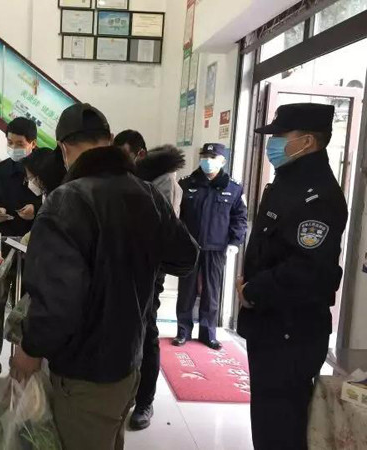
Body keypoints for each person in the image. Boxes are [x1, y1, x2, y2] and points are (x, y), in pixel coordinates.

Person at [10, 103, 199, 450]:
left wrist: (30, 348)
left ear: (63, 148)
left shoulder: (66, 201)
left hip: (84, 370)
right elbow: (186, 257)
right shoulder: (146, 193)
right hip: (128, 362)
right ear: (110, 139)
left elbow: (57, 302)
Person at [236, 103, 348, 450]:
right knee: (268, 422)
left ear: (308, 141)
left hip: (291, 332)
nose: (273, 144)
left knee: (281, 429)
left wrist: (253, 290)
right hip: (272, 326)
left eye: (282, 136)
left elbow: (307, 270)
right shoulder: (289, 182)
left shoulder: (317, 196)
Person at [128, 144, 186, 430]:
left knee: (147, 330)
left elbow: (161, 229)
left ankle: (144, 401)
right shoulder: (141, 178)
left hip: (150, 270)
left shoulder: (165, 184)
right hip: (129, 266)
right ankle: (130, 393)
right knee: (132, 330)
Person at [175, 143, 248, 350]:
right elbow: (176, 215)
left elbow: (240, 218)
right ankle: (183, 332)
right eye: (204, 156)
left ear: (222, 161)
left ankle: (208, 334)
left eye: (212, 157)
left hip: (216, 247)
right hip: (189, 246)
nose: (207, 161)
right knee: (186, 291)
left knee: (211, 292)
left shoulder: (233, 188)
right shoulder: (186, 183)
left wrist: (235, 242)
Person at [0, 118, 42, 236]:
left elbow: (56, 201)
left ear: (33, 143)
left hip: (38, 234)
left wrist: (36, 209)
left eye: (20, 144)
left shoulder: (45, 167)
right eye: (10, 142)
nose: (13, 148)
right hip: (8, 235)